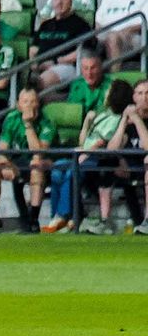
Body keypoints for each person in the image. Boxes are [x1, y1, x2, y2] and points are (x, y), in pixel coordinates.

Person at [0, 88, 56, 233]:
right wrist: (7, 165)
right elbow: (3, 149)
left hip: (40, 163)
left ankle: (33, 219)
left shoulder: (47, 122)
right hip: (16, 163)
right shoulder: (11, 118)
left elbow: (39, 153)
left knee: (36, 165)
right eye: (26, 102)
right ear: (18, 105)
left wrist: (28, 125)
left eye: (33, 101)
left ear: (38, 104)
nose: (30, 105)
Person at [73, 80, 135, 235]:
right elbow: (84, 140)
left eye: (109, 90)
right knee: (63, 172)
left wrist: (86, 153)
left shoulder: (117, 120)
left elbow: (104, 143)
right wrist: (87, 122)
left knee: (100, 171)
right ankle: (78, 218)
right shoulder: (103, 115)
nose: (106, 92)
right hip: (86, 156)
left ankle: (101, 220)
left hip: (98, 158)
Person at [31, 0, 91, 91]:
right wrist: (35, 63)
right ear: (52, 1)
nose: (59, 2)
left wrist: (56, 62)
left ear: (71, 1)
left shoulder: (80, 24)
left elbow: (82, 50)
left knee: (39, 82)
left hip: (66, 66)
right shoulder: (45, 25)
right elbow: (33, 49)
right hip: (40, 66)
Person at [107, 79, 148, 235]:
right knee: (108, 164)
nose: (144, 98)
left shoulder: (137, 121)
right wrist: (124, 120)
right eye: (140, 93)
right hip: (129, 170)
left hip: (146, 168)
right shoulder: (127, 122)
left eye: (147, 93)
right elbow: (111, 149)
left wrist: (137, 120)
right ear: (134, 97)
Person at [97, 0, 148, 72]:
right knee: (86, 41)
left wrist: (120, 32)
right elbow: (98, 20)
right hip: (106, 33)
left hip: (132, 35)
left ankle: (114, 77)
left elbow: (143, 22)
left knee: (113, 38)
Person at [67, 51, 111, 116]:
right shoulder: (77, 85)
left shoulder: (111, 85)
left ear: (100, 68)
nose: (89, 73)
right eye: (85, 68)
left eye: (93, 68)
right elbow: (72, 112)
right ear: (81, 69)